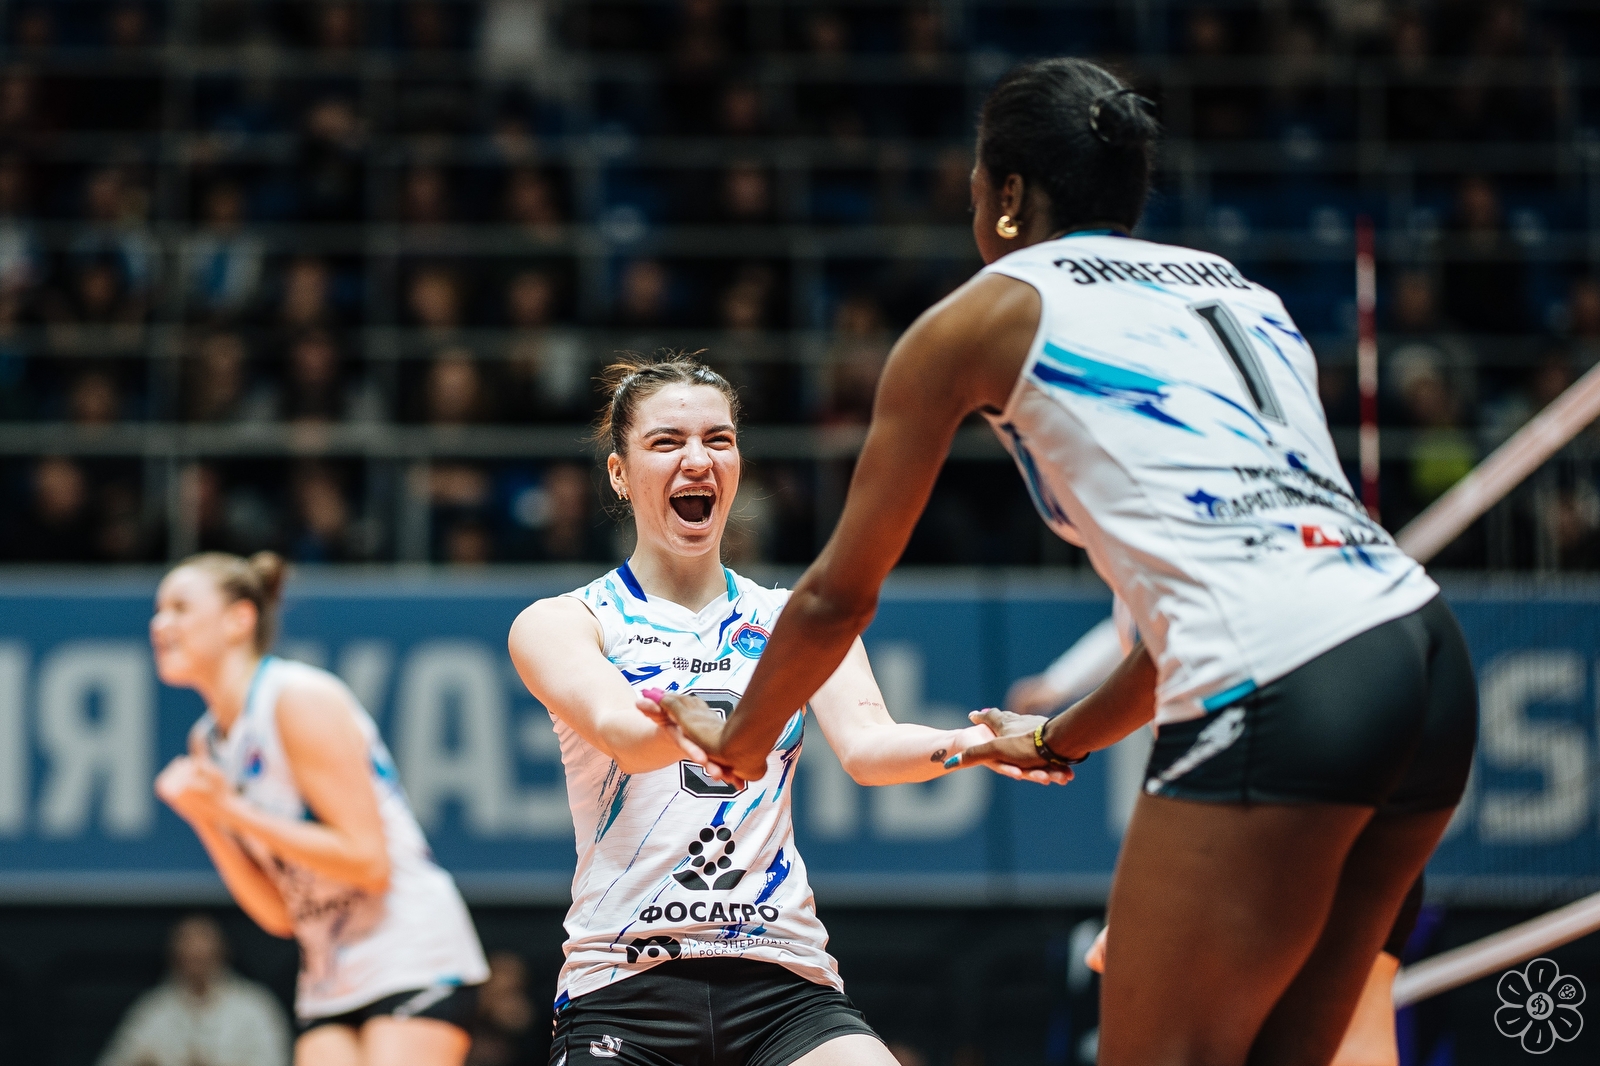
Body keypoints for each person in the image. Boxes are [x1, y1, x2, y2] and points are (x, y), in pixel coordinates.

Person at [653, 58, 1477, 1065]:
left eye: (974, 186)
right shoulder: (1243, 294)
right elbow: (1191, 625)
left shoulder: (984, 314)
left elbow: (835, 596)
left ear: (1007, 194)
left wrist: (740, 737)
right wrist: (1054, 737)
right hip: (1424, 660)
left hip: (1285, 677)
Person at [506, 355, 1049, 1066]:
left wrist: (976, 744)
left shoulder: (793, 619)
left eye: (719, 440)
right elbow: (624, 736)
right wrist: (709, 732)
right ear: (619, 473)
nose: (697, 459)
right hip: (624, 982)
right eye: (667, 442)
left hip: (783, 982)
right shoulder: (564, 621)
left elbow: (869, 747)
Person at [1010, 605, 1422, 1066]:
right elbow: (1140, 641)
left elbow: (1164, 666)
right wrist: (1059, 688)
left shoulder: (1198, 596)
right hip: (1357, 784)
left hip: (1293, 810)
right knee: (1352, 1023)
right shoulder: (1163, 598)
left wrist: (1051, 739)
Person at [151, 551, 490, 1066]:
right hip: (328, 973)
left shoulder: (296, 697)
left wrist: (230, 809)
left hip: (411, 950)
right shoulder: (208, 743)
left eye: (179, 607)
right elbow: (279, 915)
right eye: (158, 610)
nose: (160, 624)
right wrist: (206, 817)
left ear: (240, 619)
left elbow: (367, 862)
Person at [98, 914, 292, 1066]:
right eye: (189, 958)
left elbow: (277, 1060)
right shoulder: (154, 1009)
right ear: (175, 957)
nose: (196, 965)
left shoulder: (255, 1007)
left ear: (222, 953)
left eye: (203, 957)